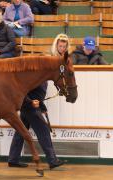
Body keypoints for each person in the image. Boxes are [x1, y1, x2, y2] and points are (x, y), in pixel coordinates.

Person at [8, 33, 70, 169]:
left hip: (31, 106)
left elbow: (37, 94)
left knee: (20, 131)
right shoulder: (34, 76)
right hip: (30, 107)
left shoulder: (41, 76)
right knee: (43, 131)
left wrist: (41, 105)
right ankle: (52, 161)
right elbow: (23, 91)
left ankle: (13, 159)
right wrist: (30, 102)